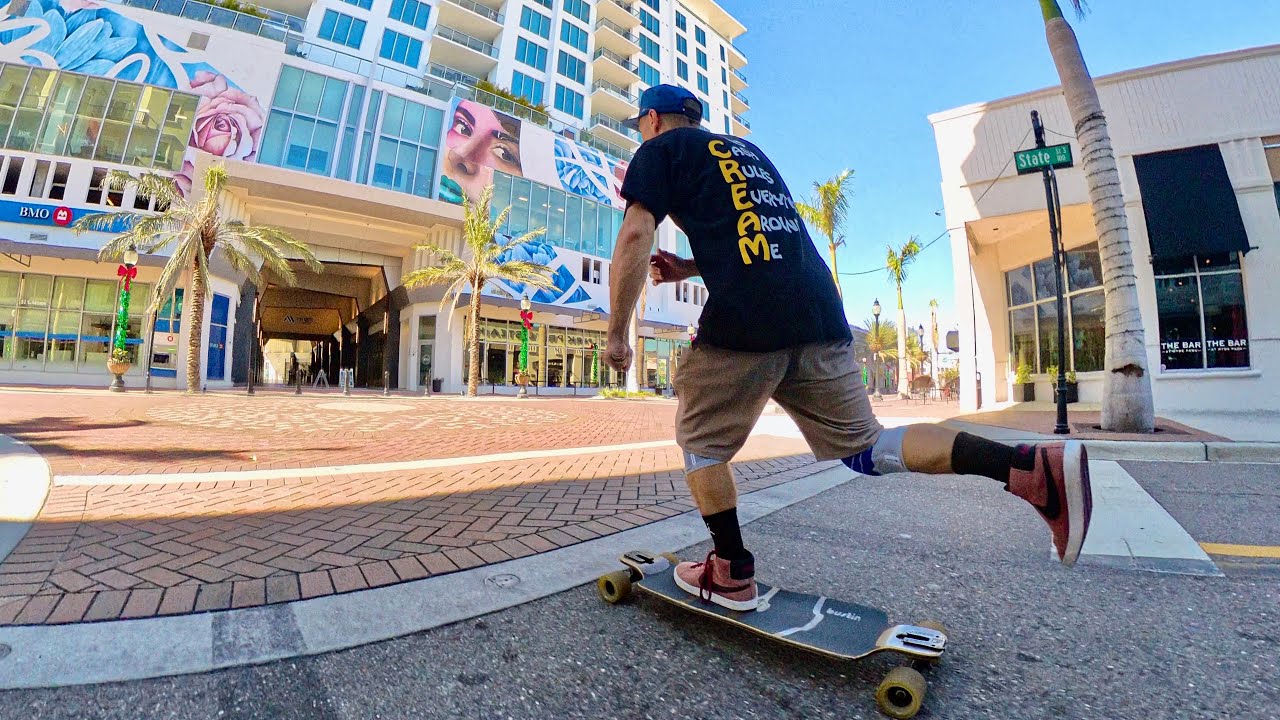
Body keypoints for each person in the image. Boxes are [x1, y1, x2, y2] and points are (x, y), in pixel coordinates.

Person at [604, 85, 1093, 612]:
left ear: (652, 120)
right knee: (868, 448)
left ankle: (730, 569)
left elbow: (635, 236)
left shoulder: (659, 150)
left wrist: (616, 333)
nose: (643, 132)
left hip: (747, 315)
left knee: (701, 444)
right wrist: (690, 267)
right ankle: (1026, 467)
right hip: (817, 309)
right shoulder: (746, 154)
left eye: (641, 125)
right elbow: (758, 239)